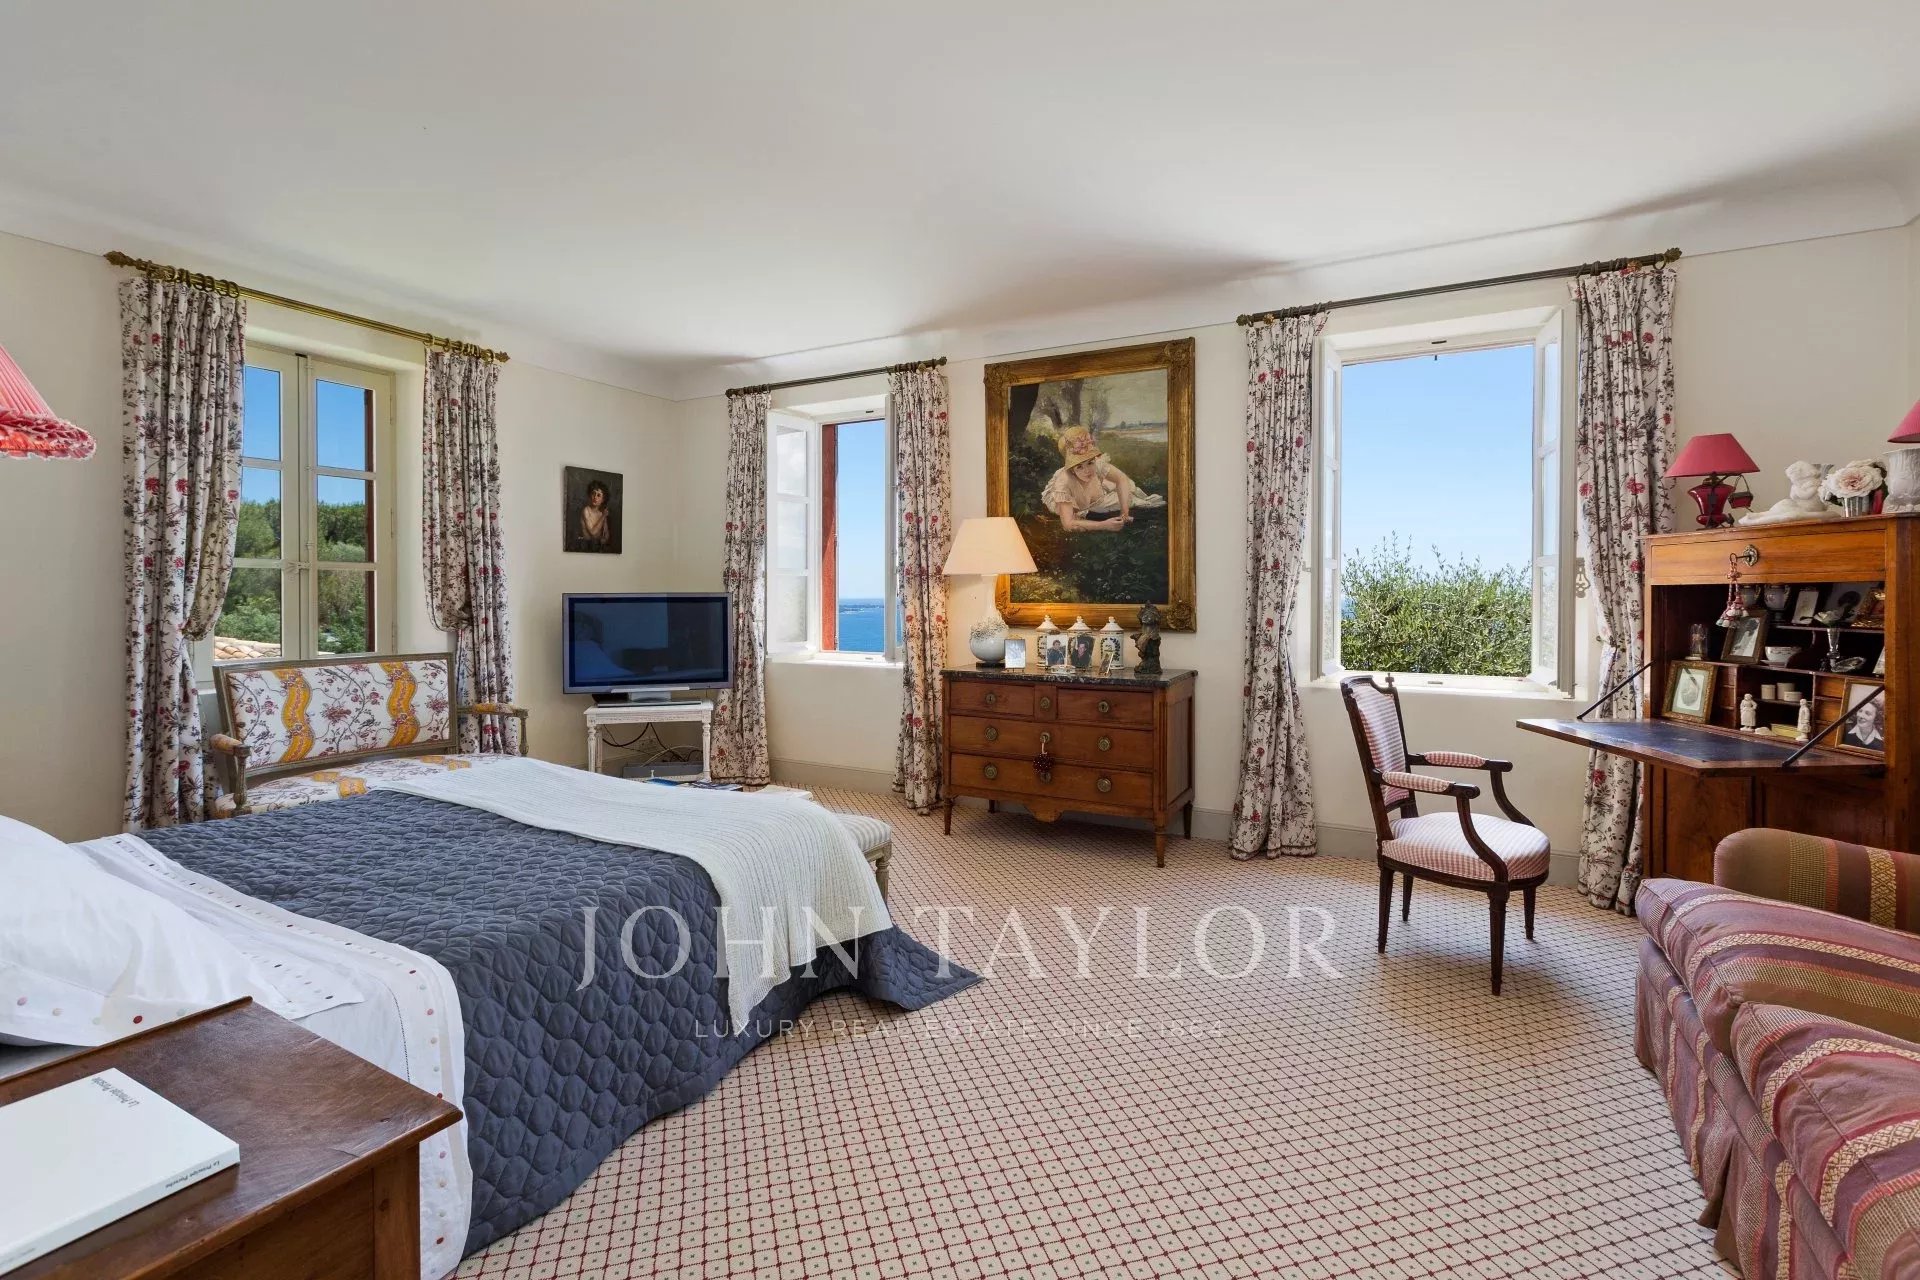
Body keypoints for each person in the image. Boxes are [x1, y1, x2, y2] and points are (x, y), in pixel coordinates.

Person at [1040, 425, 1165, 533]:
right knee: (1088, 515)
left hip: (1096, 494)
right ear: (1072, 469)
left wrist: (1124, 513)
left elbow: (1121, 479)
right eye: (1079, 467)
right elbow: (1067, 524)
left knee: (1129, 494)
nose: (1087, 470)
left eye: (1090, 462)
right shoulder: (1063, 483)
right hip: (1076, 503)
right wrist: (1104, 525)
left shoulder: (1097, 465)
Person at [577, 480, 612, 548]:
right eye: (593, 493)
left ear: (603, 500)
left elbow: (606, 534)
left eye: (598, 495)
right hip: (586, 546)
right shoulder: (586, 510)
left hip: (598, 547)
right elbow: (593, 533)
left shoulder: (601, 513)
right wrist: (603, 516)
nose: (595, 497)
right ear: (590, 495)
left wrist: (604, 540)